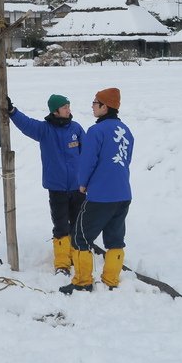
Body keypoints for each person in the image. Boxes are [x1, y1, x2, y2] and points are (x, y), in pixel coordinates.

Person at [61, 87, 134, 294]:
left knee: (80, 237)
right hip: (123, 193)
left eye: (95, 103)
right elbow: (126, 160)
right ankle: (111, 280)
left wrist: (82, 183)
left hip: (101, 195)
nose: (92, 106)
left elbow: (87, 161)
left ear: (105, 106)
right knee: (115, 239)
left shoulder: (96, 131)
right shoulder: (126, 131)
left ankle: (83, 282)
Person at [6, 93, 85, 275]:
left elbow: (88, 153)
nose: (69, 110)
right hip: (56, 188)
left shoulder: (76, 128)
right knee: (60, 226)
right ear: (55, 111)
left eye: (69, 106)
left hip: (78, 187)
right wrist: (12, 111)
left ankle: (77, 256)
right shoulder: (45, 130)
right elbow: (26, 124)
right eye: (65, 107)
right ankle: (62, 263)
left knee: (77, 223)